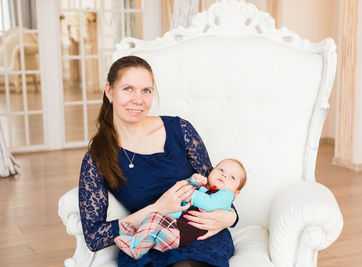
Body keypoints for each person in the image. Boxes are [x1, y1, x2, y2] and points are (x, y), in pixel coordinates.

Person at [78, 55, 239, 267]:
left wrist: (230, 218)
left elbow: (216, 185)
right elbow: (94, 237)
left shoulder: (180, 130)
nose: (138, 99)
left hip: (198, 235)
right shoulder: (97, 157)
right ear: (110, 91)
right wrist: (158, 208)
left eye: (146, 90)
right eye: (128, 89)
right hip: (148, 243)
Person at [114, 158, 247, 259]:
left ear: (236, 192)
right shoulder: (204, 188)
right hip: (176, 225)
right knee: (153, 217)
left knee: (156, 231)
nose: (224, 175)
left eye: (232, 177)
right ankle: (135, 239)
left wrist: (192, 194)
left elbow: (209, 204)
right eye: (221, 170)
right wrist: (192, 182)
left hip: (185, 236)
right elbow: (184, 200)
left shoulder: (226, 196)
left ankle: (136, 248)